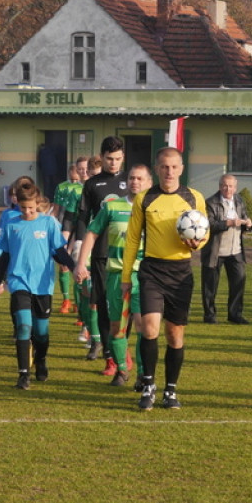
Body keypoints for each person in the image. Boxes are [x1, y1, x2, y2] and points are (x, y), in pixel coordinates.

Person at [121, 147, 207, 411]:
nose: (169, 172)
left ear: (181, 168)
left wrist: (197, 244)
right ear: (157, 169)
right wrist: (126, 276)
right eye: (164, 167)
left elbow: (205, 233)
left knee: (174, 335)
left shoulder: (194, 198)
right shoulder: (145, 199)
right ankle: (148, 385)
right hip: (151, 271)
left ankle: (170, 391)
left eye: (174, 167)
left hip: (180, 273)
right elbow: (133, 238)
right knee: (149, 329)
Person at [0, 182, 75, 390]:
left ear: (38, 203)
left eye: (31, 207)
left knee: (41, 333)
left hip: (42, 285)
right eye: (23, 208)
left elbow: (60, 252)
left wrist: (74, 268)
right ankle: (23, 375)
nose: (27, 211)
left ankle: (40, 360)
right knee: (24, 326)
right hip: (18, 282)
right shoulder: (11, 224)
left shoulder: (49, 223)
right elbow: (4, 253)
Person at [74, 164, 153, 386]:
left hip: (144, 276)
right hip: (117, 276)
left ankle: (141, 374)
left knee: (142, 327)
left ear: (148, 183)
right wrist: (81, 263)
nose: (134, 182)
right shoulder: (112, 207)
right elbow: (91, 233)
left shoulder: (153, 209)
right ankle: (121, 369)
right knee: (117, 327)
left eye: (139, 179)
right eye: (131, 178)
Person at [75, 138, 127, 367]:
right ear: (102, 157)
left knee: (129, 308)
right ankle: (110, 357)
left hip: (130, 256)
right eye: (109, 159)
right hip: (102, 255)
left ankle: (122, 350)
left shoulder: (133, 182)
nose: (114, 163)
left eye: (117, 159)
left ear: (123, 157)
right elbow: (84, 222)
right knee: (105, 306)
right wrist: (81, 258)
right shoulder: (92, 185)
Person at [201, 174, 252, 324]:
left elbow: (244, 218)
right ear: (219, 186)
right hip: (215, 252)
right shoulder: (210, 202)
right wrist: (228, 223)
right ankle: (209, 316)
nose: (228, 189)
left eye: (231, 186)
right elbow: (209, 225)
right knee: (210, 287)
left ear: (235, 187)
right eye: (225, 185)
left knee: (238, 283)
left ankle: (235, 315)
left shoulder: (239, 200)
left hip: (235, 251)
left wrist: (248, 224)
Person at [53, 157, 88, 314]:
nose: (82, 173)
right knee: (65, 261)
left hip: (88, 231)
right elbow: (63, 213)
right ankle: (67, 300)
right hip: (70, 225)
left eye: (85, 169)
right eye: (79, 169)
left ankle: (81, 306)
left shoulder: (95, 188)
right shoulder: (66, 188)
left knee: (83, 266)